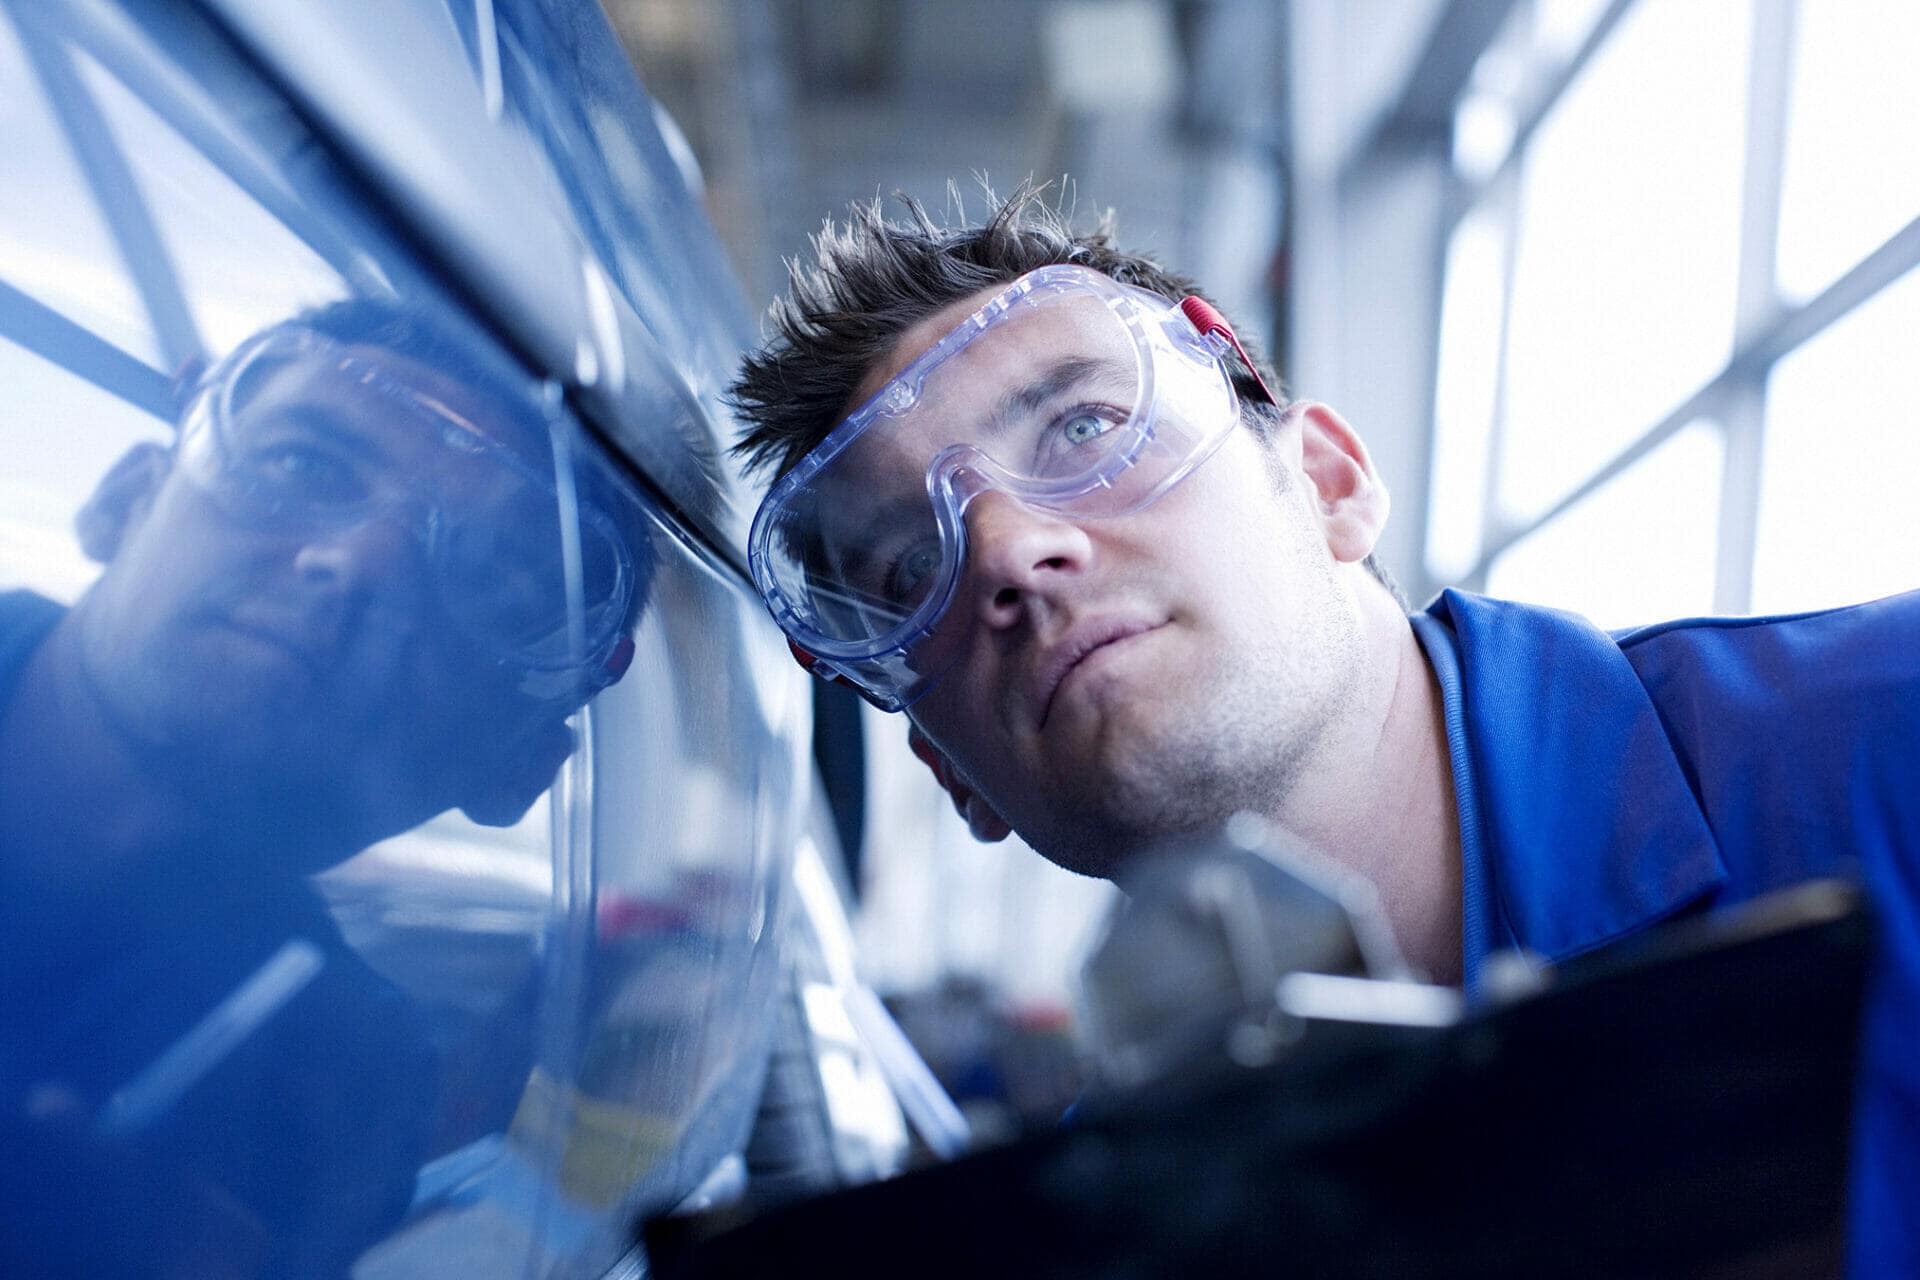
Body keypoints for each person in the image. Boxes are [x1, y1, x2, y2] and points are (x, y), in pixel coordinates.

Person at [727, 189, 1919, 1275]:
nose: (1003, 551)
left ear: (1332, 482)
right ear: (949, 771)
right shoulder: (1122, 1225)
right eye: (906, 562)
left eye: (1083, 428)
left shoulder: (1886, 746)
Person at [0, 298, 647, 1276]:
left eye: (499, 576)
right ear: (127, 497)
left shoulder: (336, 1077)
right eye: (305, 464)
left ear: (517, 766)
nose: (361, 562)